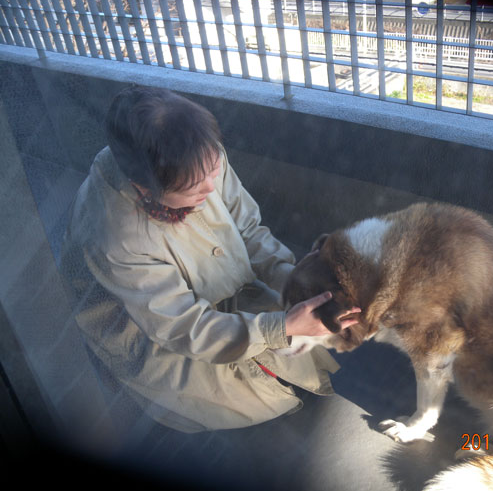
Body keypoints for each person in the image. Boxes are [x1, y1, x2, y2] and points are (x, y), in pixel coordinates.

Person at [60, 85, 359, 433]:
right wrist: (283, 326)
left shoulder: (199, 153)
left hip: (199, 287)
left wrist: (294, 281)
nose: (210, 187)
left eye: (214, 170)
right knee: (247, 396)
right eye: (194, 188)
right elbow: (182, 328)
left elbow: (247, 227)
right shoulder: (117, 237)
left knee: (285, 340)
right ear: (144, 189)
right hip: (148, 326)